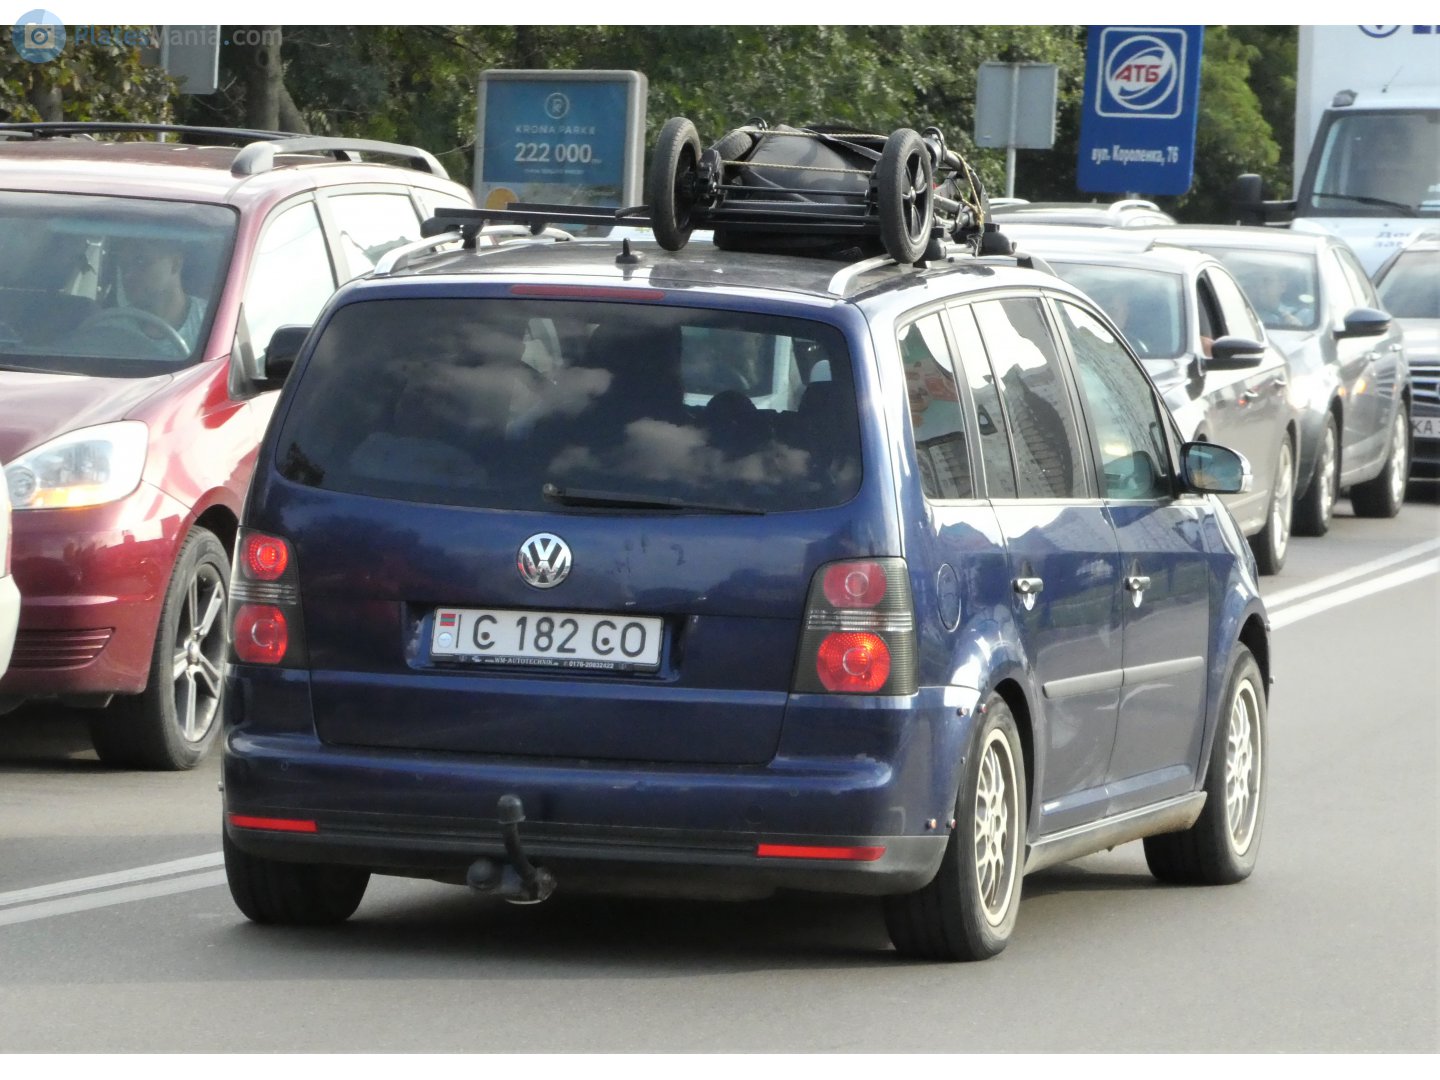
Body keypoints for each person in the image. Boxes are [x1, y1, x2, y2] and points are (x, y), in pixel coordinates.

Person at [112, 237, 207, 351]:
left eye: (141, 261)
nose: (127, 274)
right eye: (124, 265)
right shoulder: (111, 328)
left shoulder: (212, 323)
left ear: (175, 264)